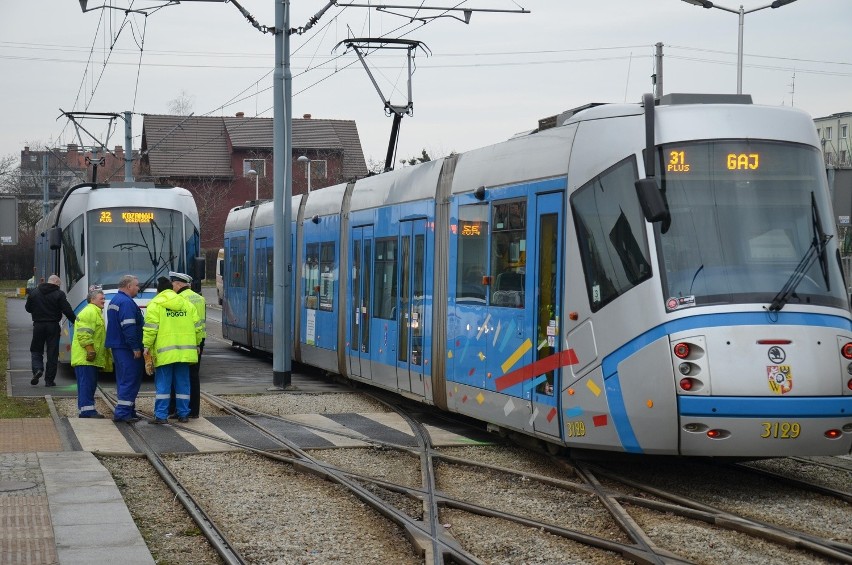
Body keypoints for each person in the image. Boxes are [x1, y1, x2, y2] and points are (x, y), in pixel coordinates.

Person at [144, 276, 202, 424]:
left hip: (165, 353)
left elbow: (151, 330)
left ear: (159, 291)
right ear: (171, 289)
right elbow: (198, 328)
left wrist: (146, 346)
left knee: (163, 384)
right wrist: (197, 344)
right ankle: (183, 414)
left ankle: (161, 416)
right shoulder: (187, 305)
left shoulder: (155, 305)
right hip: (185, 353)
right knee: (183, 383)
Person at [167, 271, 206, 419]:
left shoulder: (179, 299)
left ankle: (178, 408)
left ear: (178, 284)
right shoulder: (199, 298)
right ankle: (194, 410)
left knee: (179, 376)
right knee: (194, 376)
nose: (172, 287)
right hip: (198, 340)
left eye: (173, 284)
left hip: (183, 340)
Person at [106, 275, 144, 423]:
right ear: (129, 286)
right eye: (136, 285)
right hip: (127, 348)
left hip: (119, 346)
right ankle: (123, 413)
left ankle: (129, 410)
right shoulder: (127, 303)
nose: (138, 288)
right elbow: (129, 327)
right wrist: (135, 347)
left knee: (124, 379)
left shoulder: (116, 300)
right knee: (130, 379)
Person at [25, 274, 76, 387]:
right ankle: (49, 380)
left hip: (38, 325)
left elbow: (28, 308)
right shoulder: (59, 294)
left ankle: (37, 369)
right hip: (53, 326)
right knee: (52, 353)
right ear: (57, 283)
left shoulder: (34, 292)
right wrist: (76, 322)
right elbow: (67, 310)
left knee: (36, 350)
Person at [71, 288, 108, 418]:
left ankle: (85, 409)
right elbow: (84, 333)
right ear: (92, 300)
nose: (104, 300)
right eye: (101, 298)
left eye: (104, 298)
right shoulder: (90, 312)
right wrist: (90, 350)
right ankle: (87, 411)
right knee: (87, 384)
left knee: (87, 383)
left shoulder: (94, 312)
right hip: (86, 357)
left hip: (86, 357)